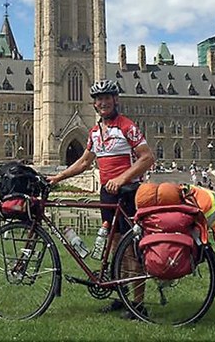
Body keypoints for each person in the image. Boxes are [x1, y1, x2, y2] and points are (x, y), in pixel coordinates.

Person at [48, 79, 154, 319]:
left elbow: (147, 158)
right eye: (99, 99)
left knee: (131, 251)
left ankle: (138, 304)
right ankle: (121, 295)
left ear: (115, 100)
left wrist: (123, 178)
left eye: (107, 98)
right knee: (114, 247)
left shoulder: (127, 127)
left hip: (128, 194)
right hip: (108, 194)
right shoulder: (95, 132)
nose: (103, 102)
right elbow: (85, 162)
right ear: (95, 105)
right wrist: (59, 177)